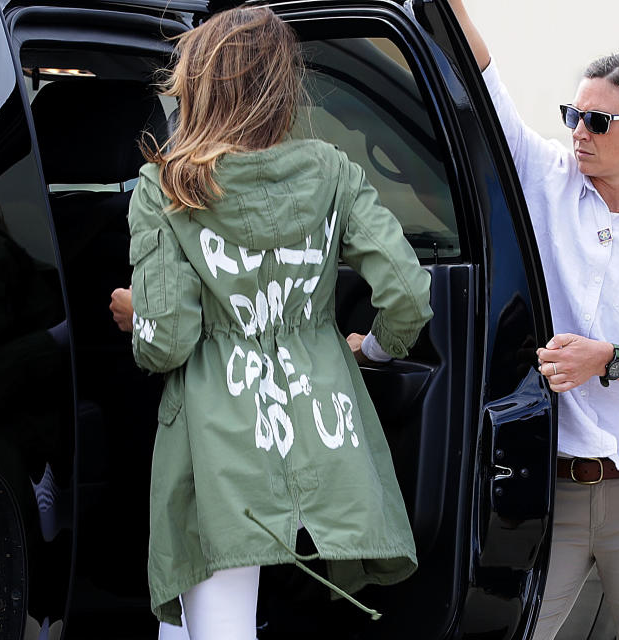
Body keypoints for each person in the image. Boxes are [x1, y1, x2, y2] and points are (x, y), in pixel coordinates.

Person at [107, 7, 433, 639]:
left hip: (215, 434)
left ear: (198, 86)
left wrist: (135, 317)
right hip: (319, 425)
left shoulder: (167, 187)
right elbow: (410, 298)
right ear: (283, 86)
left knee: (207, 620)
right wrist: (376, 353)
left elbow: (168, 341)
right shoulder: (332, 170)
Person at [448, 3, 619, 639]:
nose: (580, 131)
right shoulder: (547, 178)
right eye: (573, 115)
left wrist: (609, 359)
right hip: (553, 492)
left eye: (598, 120)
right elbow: (483, 83)